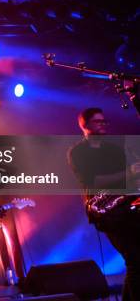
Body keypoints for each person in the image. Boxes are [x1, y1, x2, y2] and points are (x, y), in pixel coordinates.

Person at [68, 107, 139, 301]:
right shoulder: (78, 152)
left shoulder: (115, 149)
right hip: (106, 212)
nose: (103, 125)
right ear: (84, 125)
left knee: (136, 262)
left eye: (104, 121)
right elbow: (93, 181)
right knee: (134, 260)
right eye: (98, 121)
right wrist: (130, 173)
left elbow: (127, 180)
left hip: (127, 207)